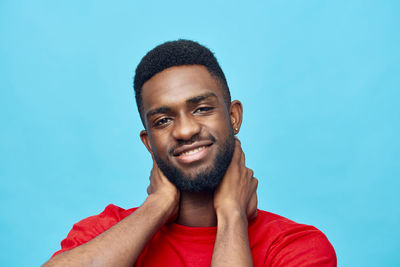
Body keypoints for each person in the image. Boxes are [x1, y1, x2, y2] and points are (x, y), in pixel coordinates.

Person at [43, 40, 337, 267]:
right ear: (149, 142)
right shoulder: (104, 231)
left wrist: (232, 216)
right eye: (163, 121)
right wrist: (156, 207)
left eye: (202, 109)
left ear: (233, 116)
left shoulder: (294, 247)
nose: (184, 131)